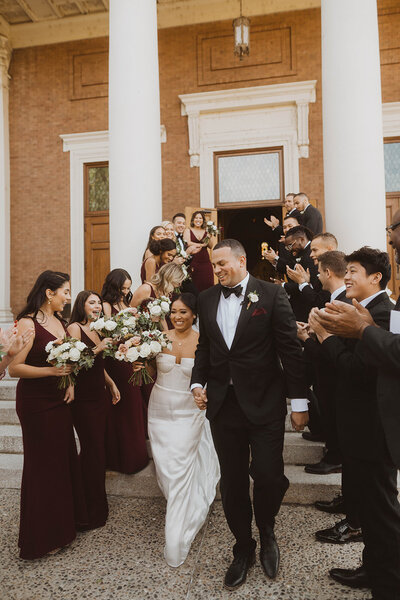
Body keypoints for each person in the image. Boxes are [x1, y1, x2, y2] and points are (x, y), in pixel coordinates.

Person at [191, 239, 308, 590]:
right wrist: (197, 384)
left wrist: (299, 402)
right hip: (223, 407)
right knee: (232, 482)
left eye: (223, 263)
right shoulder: (207, 298)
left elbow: (290, 348)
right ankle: (243, 545)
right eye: (215, 265)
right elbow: (205, 348)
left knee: (270, 476)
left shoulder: (270, 295)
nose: (218, 270)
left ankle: (267, 526)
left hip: (265, 402)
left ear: (242, 261)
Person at [309, 247, 396, 599]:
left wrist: (325, 338)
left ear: (375, 277)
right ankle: (372, 569)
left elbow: (355, 371)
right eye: (346, 271)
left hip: (375, 431)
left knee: (382, 512)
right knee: (368, 509)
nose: (346, 277)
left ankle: (388, 583)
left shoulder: (385, 316)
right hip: (357, 428)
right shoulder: (360, 309)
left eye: (354, 271)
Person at [9, 270, 87, 559]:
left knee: (61, 462)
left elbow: (68, 360)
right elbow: (15, 368)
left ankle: (63, 528)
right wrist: (52, 372)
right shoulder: (28, 323)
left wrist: (70, 384)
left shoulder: (61, 322)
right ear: (49, 293)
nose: (69, 297)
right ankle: (41, 538)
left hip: (59, 400)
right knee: (43, 468)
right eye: (65, 292)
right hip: (35, 404)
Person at [148, 293, 220, 567]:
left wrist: (204, 393)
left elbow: (211, 374)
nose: (177, 317)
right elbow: (145, 368)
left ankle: (177, 534)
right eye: (174, 312)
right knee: (166, 467)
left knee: (179, 468)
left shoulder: (204, 341)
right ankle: (180, 504)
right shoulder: (157, 339)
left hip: (190, 410)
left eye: (184, 312)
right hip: (159, 411)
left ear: (194, 315)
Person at [67, 291, 121, 531]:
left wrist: (110, 383)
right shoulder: (75, 328)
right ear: (81, 305)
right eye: (92, 302)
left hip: (99, 394)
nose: (97, 306)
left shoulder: (97, 329)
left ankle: (97, 505)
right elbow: (74, 364)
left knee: (99, 449)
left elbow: (98, 365)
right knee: (92, 449)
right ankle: (86, 509)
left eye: (99, 302)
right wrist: (99, 347)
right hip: (83, 399)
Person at [298, 251, 347, 476]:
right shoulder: (334, 298)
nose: (317, 277)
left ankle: (336, 456)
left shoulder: (341, 301)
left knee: (335, 415)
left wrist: (306, 338)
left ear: (327, 272)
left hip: (333, 373)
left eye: (319, 272)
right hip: (325, 370)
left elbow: (332, 347)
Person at [102, 269, 149, 474]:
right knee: (125, 405)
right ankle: (122, 458)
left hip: (130, 356)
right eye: (123, 288)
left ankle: (137, 456)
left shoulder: (126, 304)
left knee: (135, 403)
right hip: (115, 360)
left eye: (128, 288)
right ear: (113, 287)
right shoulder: (105, 305)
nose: (126, 292)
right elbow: (105, 333)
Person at [281, 225, 318, 322]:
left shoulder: (310, 256)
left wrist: (284, 285)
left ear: (301, 239)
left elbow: (313, 285)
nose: (290, 249)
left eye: (290, 245)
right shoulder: (301, 253)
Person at [184, 211, 215, 292]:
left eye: (200, 218)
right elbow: (188, 242)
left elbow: (210, 246)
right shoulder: (188, 230)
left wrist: (209, 236)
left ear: (203, 220)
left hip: (205, 262)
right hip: (193, 261)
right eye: (196, 218)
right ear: (193, 220)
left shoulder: (206, 231)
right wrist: (202, 245)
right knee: (195, 285)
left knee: (208, 284)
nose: (198, 220)